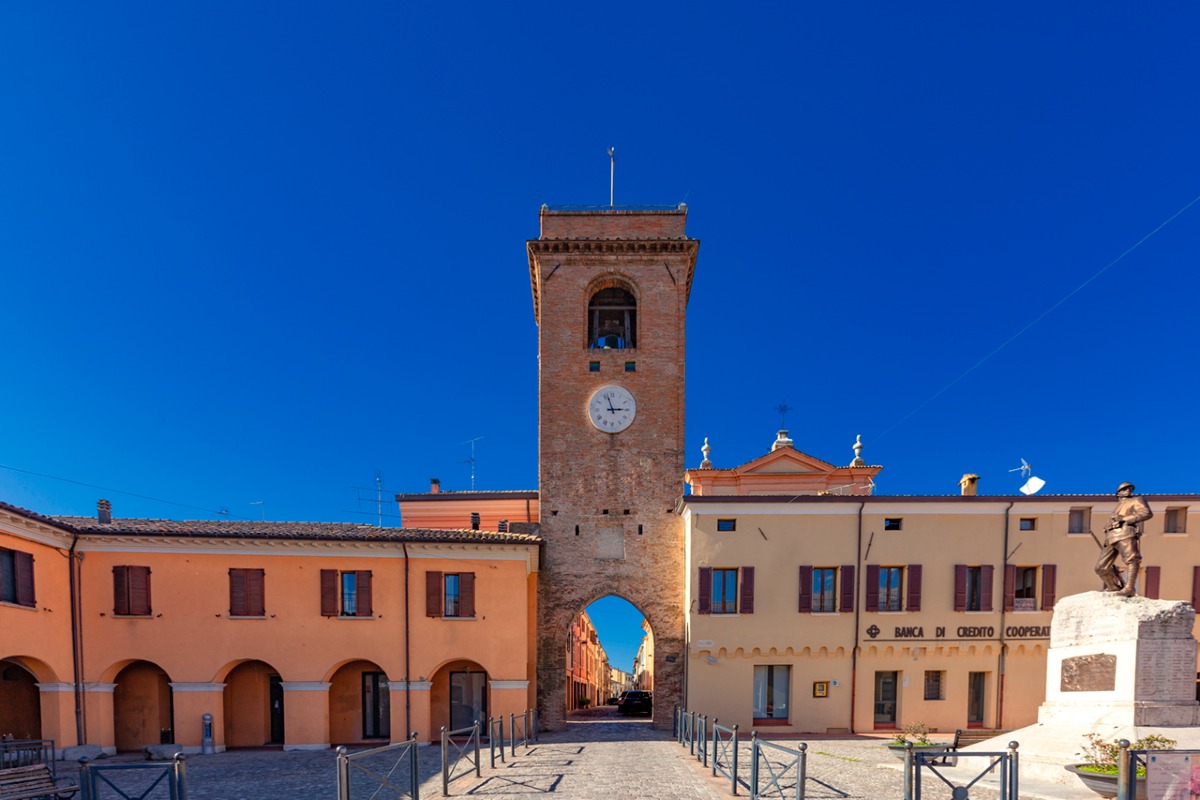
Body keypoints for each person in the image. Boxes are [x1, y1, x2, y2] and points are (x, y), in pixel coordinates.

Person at [1094, 482, 1153, 597]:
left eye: (1130, 488)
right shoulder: (1118, 506)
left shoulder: (1137, 500)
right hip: (1111, 537)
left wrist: (1125, 519)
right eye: (1124, 489)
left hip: (1126, 533)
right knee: (1100, 567)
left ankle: (1130, 588)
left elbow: (1146, 513)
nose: (1128, 490)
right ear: (1118, 493)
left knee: (1132, 559)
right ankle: (1113, 587)